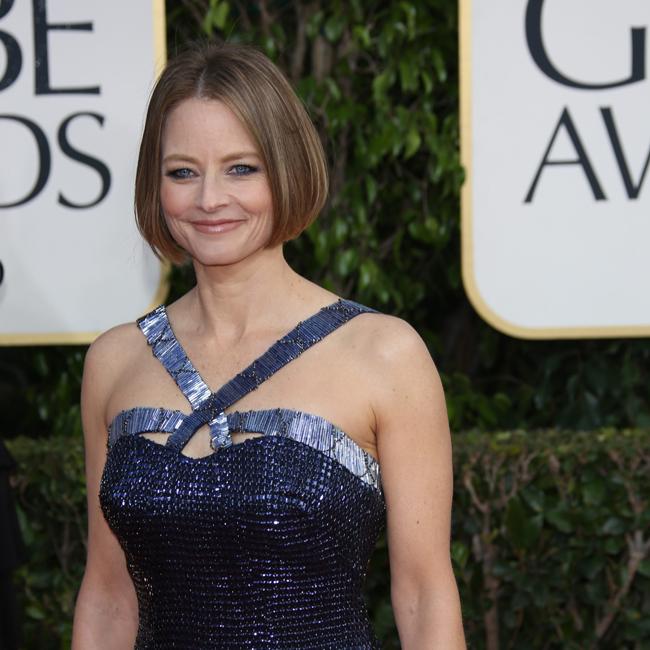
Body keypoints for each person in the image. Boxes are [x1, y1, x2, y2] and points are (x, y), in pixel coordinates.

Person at [71, 41, 465, 649]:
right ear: (155, 185)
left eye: (241, 168)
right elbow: (107, 596)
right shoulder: (116, 360)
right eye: (182, 172)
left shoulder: (383, 354)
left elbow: (423, 595)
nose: (209, 199)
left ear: (286, 170)